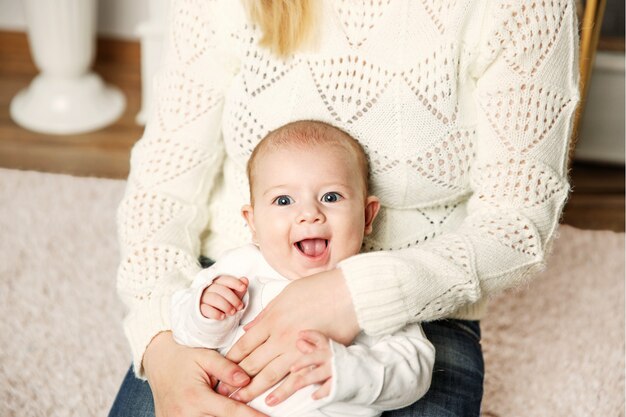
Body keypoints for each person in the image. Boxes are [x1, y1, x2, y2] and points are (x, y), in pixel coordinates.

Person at [109, 1, 580, 416]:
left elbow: (517, 227)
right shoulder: (230, 279)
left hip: (421, 296)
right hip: (234, 279)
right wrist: (162, 343)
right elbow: (160, 189)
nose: (311, 214)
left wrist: (357, 294)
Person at [169, 120, 435, 416]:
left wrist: (346, 368)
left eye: (331, 197)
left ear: (367, 215)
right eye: (284, 200)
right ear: (253, 223)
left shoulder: (374, 286)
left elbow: (414, 369)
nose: (309, 213)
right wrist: (205, 312)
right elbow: (184, 329)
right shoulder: (240, 267)